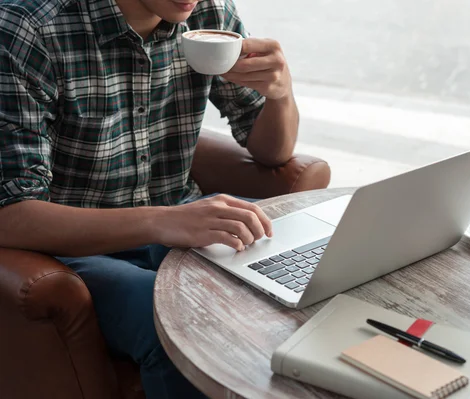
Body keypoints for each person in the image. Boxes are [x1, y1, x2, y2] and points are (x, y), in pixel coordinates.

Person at [0, 0, 299, 397]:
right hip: (71, 247)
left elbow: (272, 153)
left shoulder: (209, 15)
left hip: (179, 221)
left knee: (289, 279)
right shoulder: (30, 28)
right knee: (183, 324)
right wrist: (163, 221)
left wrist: (280, 94)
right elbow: (12, 214)